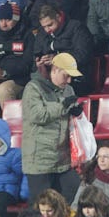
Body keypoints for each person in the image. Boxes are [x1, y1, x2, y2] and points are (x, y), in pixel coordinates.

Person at [20, 51, 82, 201]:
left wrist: (76, 112)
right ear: (55, 70)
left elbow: (68, 111)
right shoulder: (33, 87)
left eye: (71, 77)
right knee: (41, 206)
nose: (69, 80)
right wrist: (63, 106)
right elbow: (37, 115)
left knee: (73, 194)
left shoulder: (68, 90)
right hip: (39, 160)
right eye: (66, 75)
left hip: (62, 159)